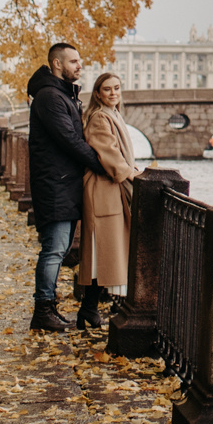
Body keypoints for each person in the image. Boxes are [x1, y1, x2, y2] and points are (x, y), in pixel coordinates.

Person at [25, 43, 106, 331]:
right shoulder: (50, 97)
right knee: (54, 250)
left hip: (62, 185)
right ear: (57, 64)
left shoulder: (61, 95)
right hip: (55, 185)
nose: (79, 65)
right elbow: (70, 141)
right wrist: (103, 165)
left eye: (79, 61)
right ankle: (42, 310)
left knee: (57, 249)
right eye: (73, 61)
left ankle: (48, 308)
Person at [77, 72, 140, 329]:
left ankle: (89, 309)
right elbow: (109, 155)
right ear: (98, 94)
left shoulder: (113, 114)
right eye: (107, 89)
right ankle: (90, 309)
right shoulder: (100, 118)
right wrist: (135, 176)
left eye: (117, 88)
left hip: (110, 188)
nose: (113, 93)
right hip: (102, 189)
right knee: (102, 250)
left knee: (105, 252)